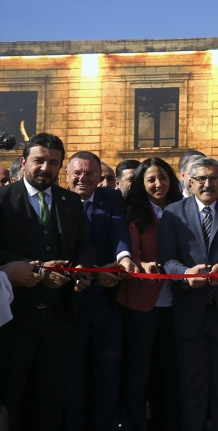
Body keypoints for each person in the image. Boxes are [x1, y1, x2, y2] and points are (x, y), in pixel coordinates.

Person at [0, 133, 95, 431]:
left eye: (53, 163)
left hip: (59, 317)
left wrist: (81, 269)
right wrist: (38, 268)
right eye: (39, 160)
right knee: (12, 396)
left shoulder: (70, 202)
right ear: (23, 161)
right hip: (15, 318)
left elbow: (84, 245)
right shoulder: (3, 200)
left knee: (50, 398)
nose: (45, 168)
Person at [159, 157, 218, 431]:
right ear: (190, 181)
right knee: (192, 388)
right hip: (190, 311)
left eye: (213, 178)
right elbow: (168, 258)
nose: (207, 184)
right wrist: (187, 275)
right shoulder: (174, 212)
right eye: (201, 179)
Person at [63, 151, 138, 431]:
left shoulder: (112, 199)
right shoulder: (60, 200)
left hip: (107, 300)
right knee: (73, 377)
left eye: (91, 173)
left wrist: (123, 259)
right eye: (78, 173)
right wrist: (94, 270)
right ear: (67, 175)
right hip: (69, 300)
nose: (84, 178)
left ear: (100, 177)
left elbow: (120, 233)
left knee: (107, 376)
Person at [119, 158, 183, 431]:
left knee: (168, 371)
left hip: (175, 302)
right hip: (142, 300)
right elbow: (131, 251)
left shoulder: (181, 209)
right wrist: (139, 263)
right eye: (151, 179)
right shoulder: (134, 212)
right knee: (138, 372)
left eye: (164, 177)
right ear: (141, 184)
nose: (159, 184)